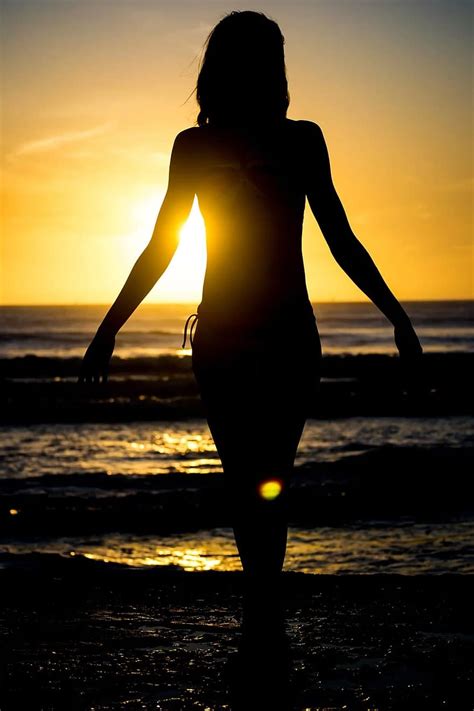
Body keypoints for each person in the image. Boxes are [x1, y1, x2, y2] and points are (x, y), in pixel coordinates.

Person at [79, 9, 423, 641]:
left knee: (260, 479)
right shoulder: (199, 146)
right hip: (237, 336)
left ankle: (262, 604)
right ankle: (263, 603)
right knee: (257, 478)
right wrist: (109, 328)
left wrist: (397, 317)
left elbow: (341, 238)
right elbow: (163, 244)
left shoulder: (298, 140)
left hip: (278, 333)